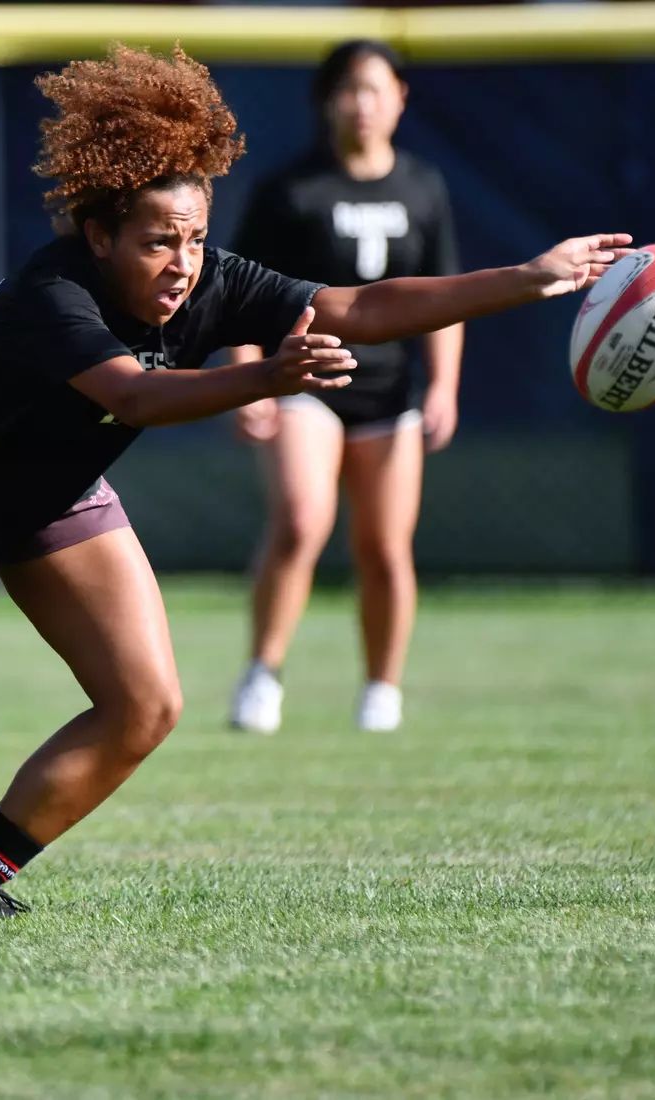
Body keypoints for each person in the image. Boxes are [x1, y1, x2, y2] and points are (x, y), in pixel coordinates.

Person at [0, 43, 634, 919]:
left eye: (194, 237)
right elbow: (132, 396)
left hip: (48, 494)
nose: (182, 264)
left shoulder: (210, 276)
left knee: (146, 704)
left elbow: (358, 303)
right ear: (98, 233)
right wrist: (265, 375)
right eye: (157, 241)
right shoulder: (47, 297)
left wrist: (528, 277)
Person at [226, 40, 460, 735]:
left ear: (400, 98)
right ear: (326, 101)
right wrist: (248, 378)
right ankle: (262, 675)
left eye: (376, 88)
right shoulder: (292, 188)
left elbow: (443, 298)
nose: (362, 103)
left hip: (390, 393)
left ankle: (380, 690)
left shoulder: (423, 187)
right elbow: (236, 290)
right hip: (305, 378)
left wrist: (444, 385)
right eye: (349, 89)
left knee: (385, 548)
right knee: (301, 520)